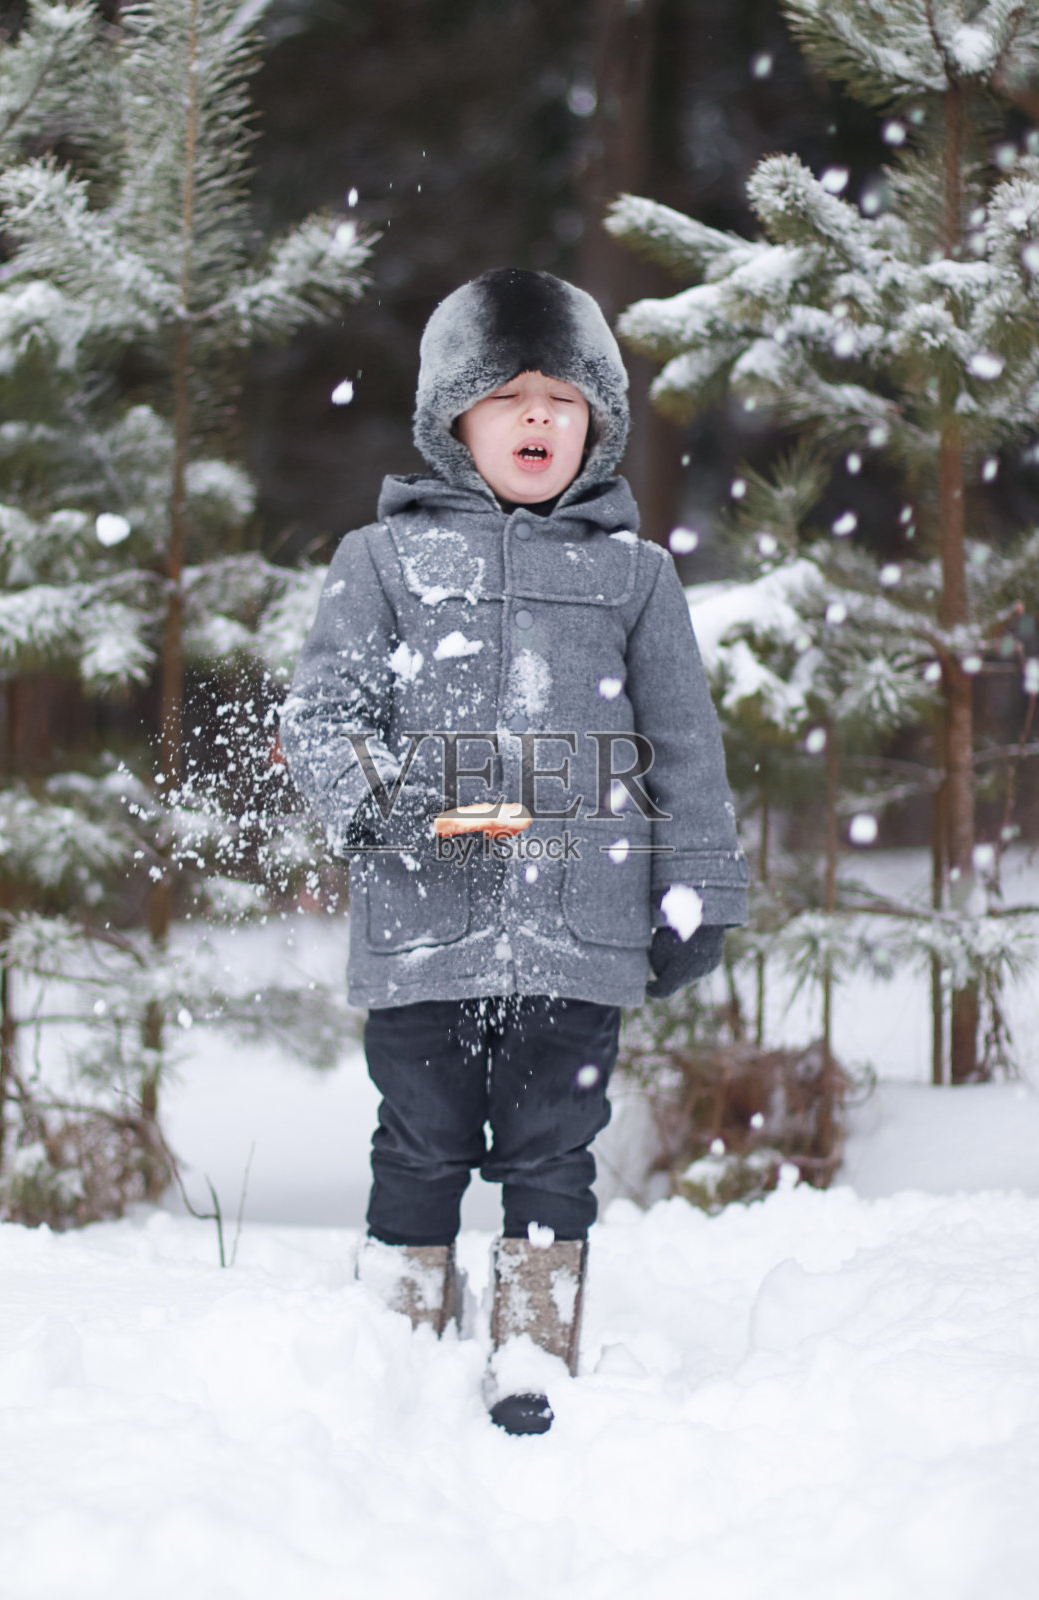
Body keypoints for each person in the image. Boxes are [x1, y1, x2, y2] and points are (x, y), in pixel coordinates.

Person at [279, 268, 748, 1434]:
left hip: (579, 929)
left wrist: (698, 885)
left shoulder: (634, 578)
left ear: (597, 426)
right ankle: (395, 1329)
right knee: (420, 1138)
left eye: (562, 398)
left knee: (552, 1147)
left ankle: (532, 1346)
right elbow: (321, 718)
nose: (537, 417)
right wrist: (386, 800)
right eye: (508, 395)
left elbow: (681, 746)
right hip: (426, 927)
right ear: (452, 421)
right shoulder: (381, 565)